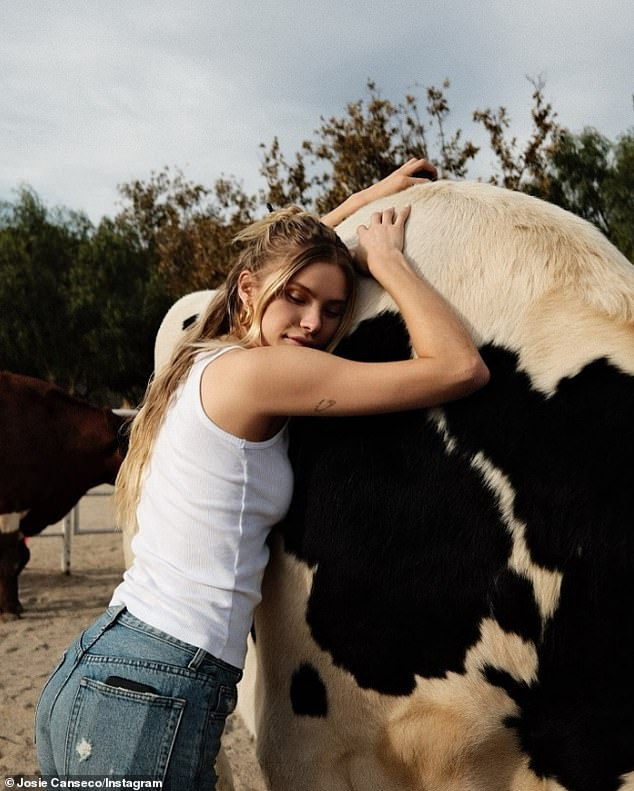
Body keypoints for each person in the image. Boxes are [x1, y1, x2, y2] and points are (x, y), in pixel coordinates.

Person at [35, 159, 489, 788]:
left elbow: (276, 266)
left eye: (333, 309)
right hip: (153, 692)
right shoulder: (264, 374)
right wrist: (389, 263)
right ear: (250, 290)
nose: (314, 324)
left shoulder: (204, 351)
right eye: (297, 300)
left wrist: (362, 200)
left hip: (100, 673)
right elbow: (460, 368)